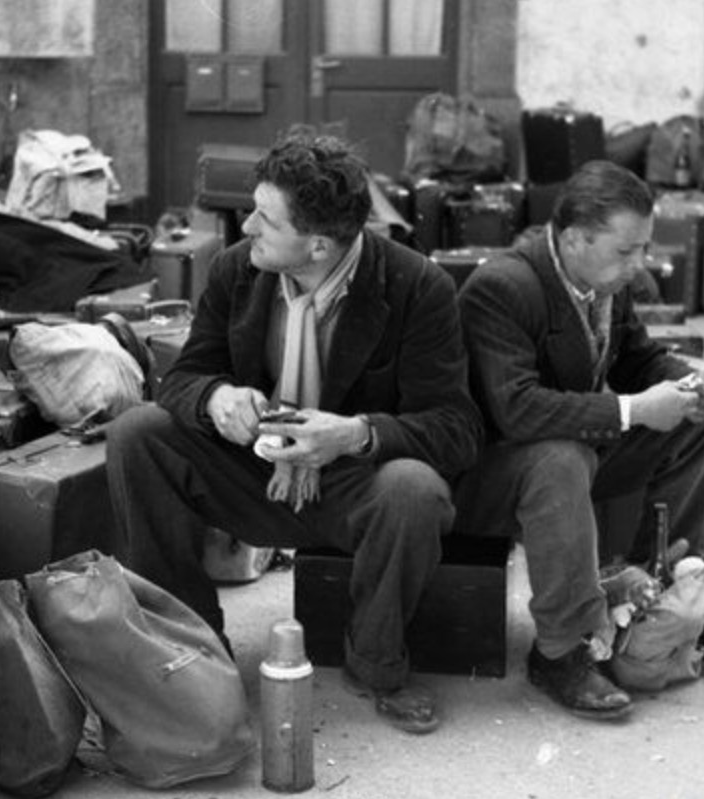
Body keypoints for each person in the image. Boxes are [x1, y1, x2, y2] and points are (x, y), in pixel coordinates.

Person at [106, 133, 482, 735]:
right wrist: (215, 397)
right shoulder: (237, 269)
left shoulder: (416, 286)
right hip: (253, 471)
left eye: (266, 219)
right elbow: (182, 379)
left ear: (319, 246)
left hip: (352, 483)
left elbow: (456, 429)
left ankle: (377, 665)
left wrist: (356, 434)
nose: (247, 226)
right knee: (138, 433)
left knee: (415, 488)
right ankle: (193, 646)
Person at [453, 160, 704, 721]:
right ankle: (561, 651)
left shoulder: (602, 281)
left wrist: (690, 384)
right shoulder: (502, 288)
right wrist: (635, 410)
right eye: (627, 250)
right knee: (563, 457)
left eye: (644, 248)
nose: (640, 265)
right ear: (575, 238)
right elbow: (517, 410)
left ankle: (655, 588)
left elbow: (638, 359)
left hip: (567, 459)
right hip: (483, 479)